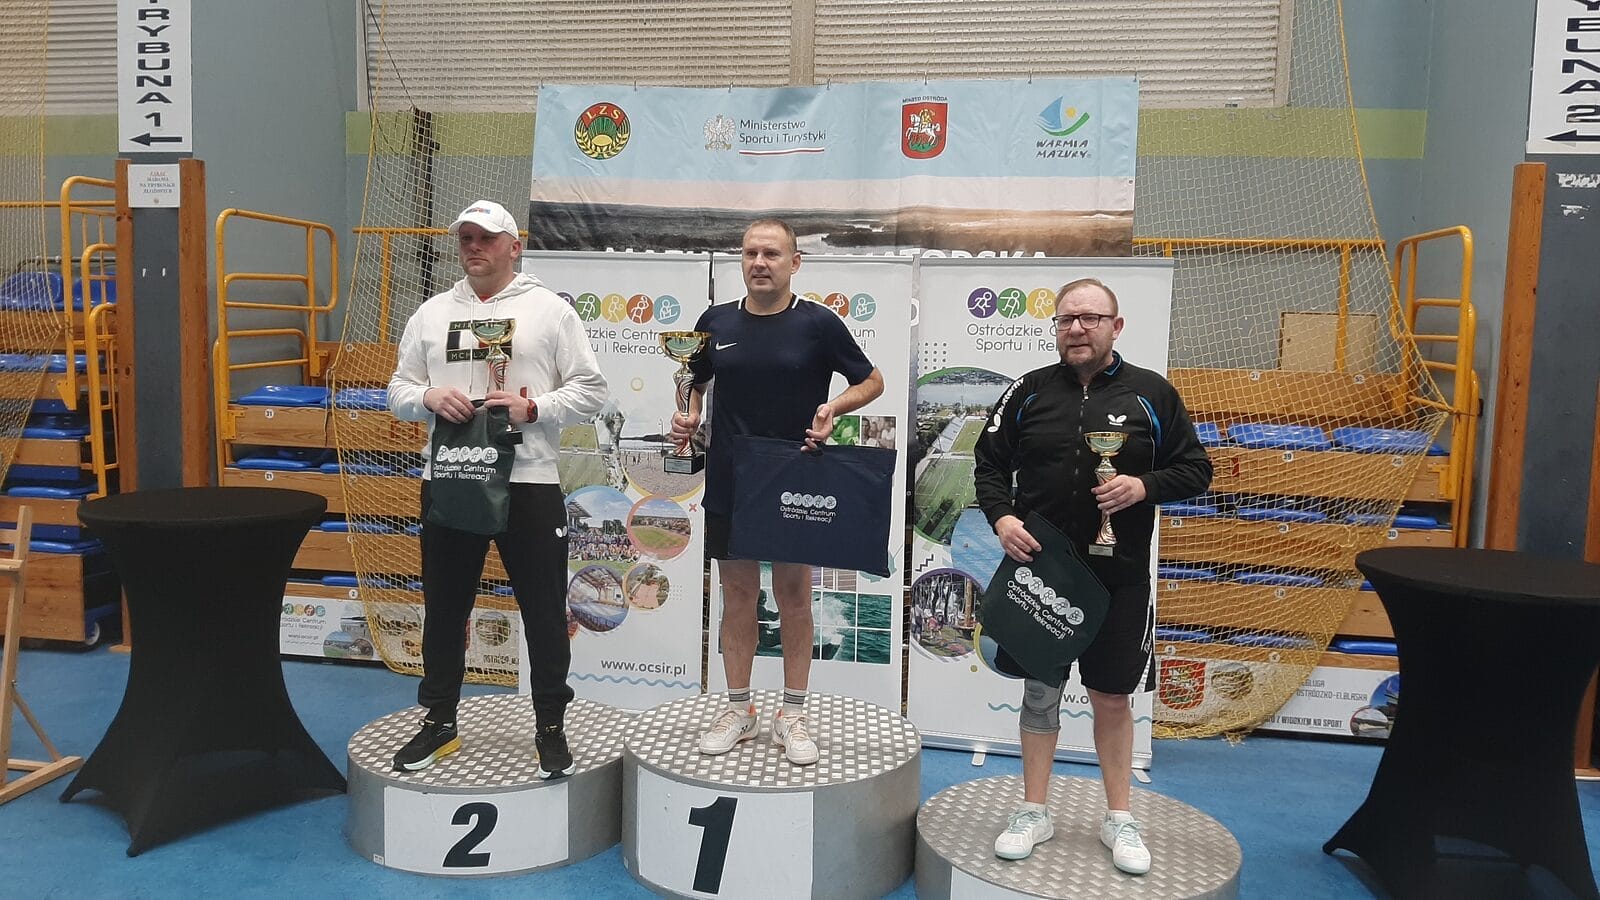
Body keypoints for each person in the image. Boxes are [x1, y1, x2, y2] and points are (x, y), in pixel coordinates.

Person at [973, 277, 1211, 874]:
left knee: (1110, 695)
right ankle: (1033, 809)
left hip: (1119, 577)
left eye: (1090, 318)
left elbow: (1196, 469)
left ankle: (1119, 816)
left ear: (1116, 326)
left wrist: (1143, 486)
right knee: (1039, 691)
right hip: (1039, 572)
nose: (1076, 329)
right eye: (1066, 319)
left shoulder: (1152, 393)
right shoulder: (1027, 391)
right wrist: (1002, 518)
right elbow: (988, 465)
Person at [387, 200, 608, 777]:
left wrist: (535, 408)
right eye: (466, 238)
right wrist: (428, 396)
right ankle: (439, 722)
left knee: (543, 611)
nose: (474, 247)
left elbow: (591, 391)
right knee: (444, 608)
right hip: (451, 479)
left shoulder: (550, 312)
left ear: (515, 246)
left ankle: (550, 726)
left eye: (486, 237)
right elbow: (397, 389)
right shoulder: (432, 313)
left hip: (528, 481)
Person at [669, 218, 884, 765]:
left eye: (771, 253)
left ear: (795, 262)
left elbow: (872, 380)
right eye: (750, 253)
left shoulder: (818, 323)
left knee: (793, 597)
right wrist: (689, 414)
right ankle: (739, 709)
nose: (759, 263)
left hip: (795, 478)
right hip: (731, 478)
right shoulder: (715, 321)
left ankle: (792, 714)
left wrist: (834, 408)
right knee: (738, 596)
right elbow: (693, 379)